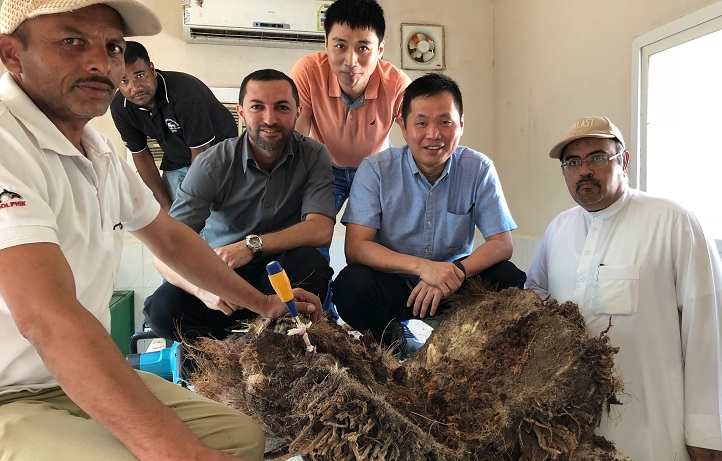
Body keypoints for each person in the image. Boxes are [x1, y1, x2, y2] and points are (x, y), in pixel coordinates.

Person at [0, 2, 321, 460]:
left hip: (67, 378)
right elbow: (47, 318)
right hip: (11, 392)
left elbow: (170, 236)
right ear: (12, 54)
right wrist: (173, 451)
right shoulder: (6, 145)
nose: (99, 62)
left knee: (243, 439)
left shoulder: (97, 151)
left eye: (112, 47)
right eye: (71, 41)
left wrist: (265, 304)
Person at [525, 116, 722, 461]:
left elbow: (709, 329)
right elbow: (534, 301)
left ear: (624, 161)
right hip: (570, 427)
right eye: (573, 162)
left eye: (598, 157)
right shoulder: (558, 230)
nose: (584, 169)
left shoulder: (672, 222)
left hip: (655, 428)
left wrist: (707, 430)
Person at [332, 73, 526, 356]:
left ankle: (460, 348)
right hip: (396, 283)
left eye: (445, 122)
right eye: (421, 123)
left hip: (453, 284)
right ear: (403, 126)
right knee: (350, 286)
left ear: (460, 125)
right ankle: (394, 342)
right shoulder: (375, 170)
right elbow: (357, 248)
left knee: (509, 279)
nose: (433, 134)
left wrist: (455, 272)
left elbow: (502, 243)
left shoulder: (478, 168)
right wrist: (423, 268)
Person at [143, 69, 335, 342]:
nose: (270, 119)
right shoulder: (212, 163)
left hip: (275, 274)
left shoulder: (314, 155)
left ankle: (279, 346)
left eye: (282, 107)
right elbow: (164, 250)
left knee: (310, 263)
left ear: (298, 112)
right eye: (258, 107)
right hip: (222, 276)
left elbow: (320, 229)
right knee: (162, 309)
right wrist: (203, 291)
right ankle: (222, 355)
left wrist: (252, 245)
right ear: (241, 112)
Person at [290, 0, 411, 213]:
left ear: (380, 50)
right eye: (340, 46)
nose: (351, 60)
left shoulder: (397, 84)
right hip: (325, 166)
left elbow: (417, 136)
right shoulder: (309, 71)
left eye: (363, 48)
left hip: (375, 168)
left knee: (377, 237)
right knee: (309, 231)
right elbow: (296, 137)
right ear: (326, 43)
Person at [110, 41, 237, 211]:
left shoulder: (185, 95)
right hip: (177, 159)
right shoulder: (120, 107)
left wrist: (196, 205)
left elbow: (202, 155)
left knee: (214, 220)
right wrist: (165, 206)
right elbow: (140, 155)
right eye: (124, 81)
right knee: (173, 217)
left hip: (219, 157)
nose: (135, 87)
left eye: (140, 75)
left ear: (152, 70)